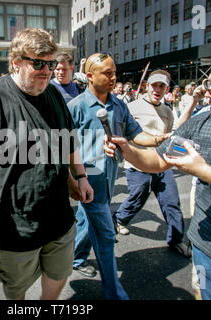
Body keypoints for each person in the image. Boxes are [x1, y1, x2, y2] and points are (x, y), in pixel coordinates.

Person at [105, 44, 211, 300]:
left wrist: (204, 171)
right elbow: (156, 161)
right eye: (209, 85)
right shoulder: (202, 122)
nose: (209, 95)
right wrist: (127, 149)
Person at [0, 28, 93, 300]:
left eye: (51, 64)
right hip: (12, 225)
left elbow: (68, 140)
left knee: (59, 273)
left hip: (58, 219)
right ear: (16, 62)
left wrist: (80, 176)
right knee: (16, 287)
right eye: (38, 63)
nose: (47, 71)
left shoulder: (53, 95)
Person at [68, 53, 169, 299]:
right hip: (86, 182)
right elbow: (63, 148)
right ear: (90, 76)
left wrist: (159, 139)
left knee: (85, 222)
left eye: (114, 72)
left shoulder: (119, 105)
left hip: (109, 180)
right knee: (105, 235)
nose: (114, 77)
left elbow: (136, 135)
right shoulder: (75, 107)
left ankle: (76, 259)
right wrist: (75, 177)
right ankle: (114, 293)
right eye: (107, 73)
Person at [114, 70, 192, 258]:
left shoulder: (167, 111)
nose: (157, 89)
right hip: (138, 164)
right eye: (154, 85)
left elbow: (170, 137)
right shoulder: (132, 107)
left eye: (162, 86)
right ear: (146, 86)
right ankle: (118, 220)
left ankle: (177, 240)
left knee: (172, 202)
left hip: (162, 164)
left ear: (166, 89)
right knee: (137, 197)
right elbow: (123, 133)